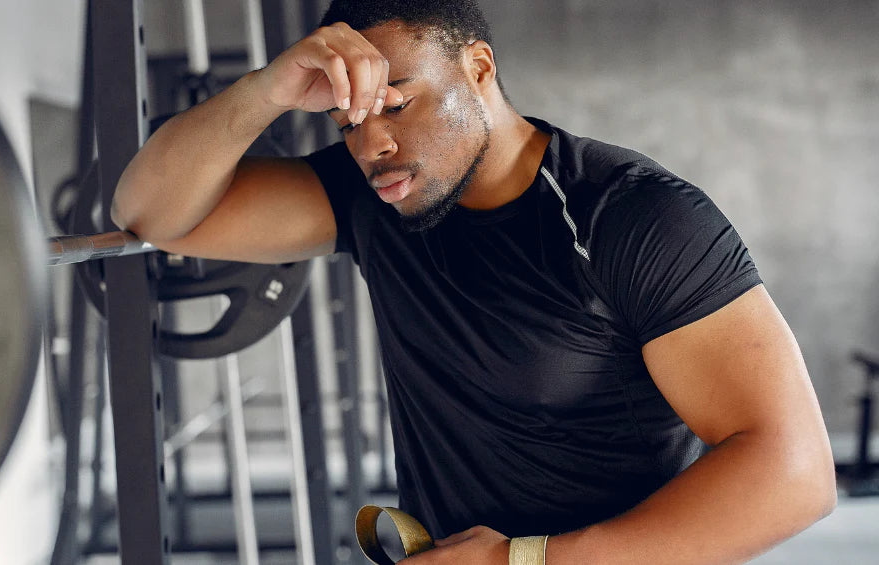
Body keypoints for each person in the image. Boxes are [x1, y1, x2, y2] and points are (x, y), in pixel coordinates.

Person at [111, 1, 836, 563]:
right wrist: (267, 89)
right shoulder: (374, 194)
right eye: (346, 122)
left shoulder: (631, 218)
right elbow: (148, 211)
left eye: (396, 103)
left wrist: (523, 560)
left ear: (479, 69)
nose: (372, 144)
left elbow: (794, 472)